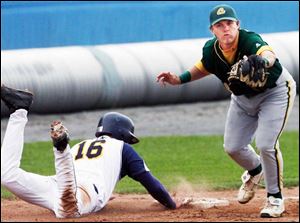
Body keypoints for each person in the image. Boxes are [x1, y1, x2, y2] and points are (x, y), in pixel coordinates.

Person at [156, 4, 296, 218]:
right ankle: (256, 171)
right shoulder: (211, 50)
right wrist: (179, 79)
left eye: (229, 23)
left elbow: (268, 53)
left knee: (266, 145)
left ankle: (275, 198)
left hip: (274, 93)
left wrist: (263, 60)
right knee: (233, 147)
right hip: (242, 99)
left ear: (237, 25)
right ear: (212, 30)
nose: (226, 28)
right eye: (219, 25)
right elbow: (204, 66)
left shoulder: (249, 40)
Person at [1, 84, 183, 218]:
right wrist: (171, 203)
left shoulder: (82, 144)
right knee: (68, 210)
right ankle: (60, 147)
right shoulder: (123, 148)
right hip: (82, 192)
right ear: (122, 134)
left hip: (56, 185)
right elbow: (151, 183)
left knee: (7, 175)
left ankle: (19, 111)